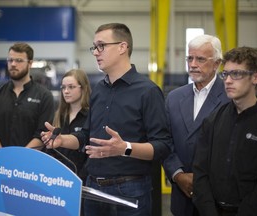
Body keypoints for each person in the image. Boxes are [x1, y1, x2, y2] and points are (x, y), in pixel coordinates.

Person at [41, 23, 172, 216]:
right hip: (93, 188)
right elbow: (86, 135)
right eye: (94, 47)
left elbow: (163, 146)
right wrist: (62, 140)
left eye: (101, 46)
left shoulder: (148, 91)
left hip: (130, 190)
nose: (95, 52)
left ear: (122, 47)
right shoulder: (99, 91)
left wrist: (125, 148)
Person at [193, 46, 257, 216]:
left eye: (236, 74)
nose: (227, 80)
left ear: (256, 77)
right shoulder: (213, 120)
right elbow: (200, 171)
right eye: (225, 74)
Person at [162, 34, 230, 216]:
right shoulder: (174, 98)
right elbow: (164, 140)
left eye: (200, 59)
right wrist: (178, 174)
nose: (193, 64)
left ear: (217, 63)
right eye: (189, 58)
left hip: (218, 199)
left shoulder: (230, 97)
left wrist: (202, 180)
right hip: (181, 198)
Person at [0, 42, 54, 149]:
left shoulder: (44, 96)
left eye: (19, 60)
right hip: (0, 162)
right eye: (10, 60)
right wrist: (2, 157)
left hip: (30, 162)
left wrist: (18, 159)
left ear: (30, 63)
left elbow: (42, 135)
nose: (13, 64)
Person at [46, 68, 91, 181]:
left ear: (83, 88)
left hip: (81, 180)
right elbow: (51, 151)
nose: (66, 91)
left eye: (71, 87)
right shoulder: (58, 116)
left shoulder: (91, 116)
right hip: (58, 179)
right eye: (63, 87)